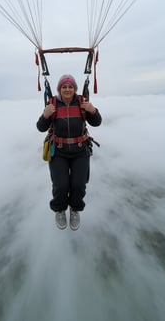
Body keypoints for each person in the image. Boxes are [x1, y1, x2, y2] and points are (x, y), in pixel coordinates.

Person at [36, 74, 102, 230]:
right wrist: (45, 115)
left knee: (79, 184)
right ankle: (59, 209)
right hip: (58, 151)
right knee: (61, 185)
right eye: (64, 87)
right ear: (59, 89)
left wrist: (93, 110)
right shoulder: (52, 105)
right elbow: (40, 127)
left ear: (75, 89)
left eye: (70, 86)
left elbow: (97, 122)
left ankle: (75, 208)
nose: (67, 89)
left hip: (80, 150)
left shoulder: (82, 104)